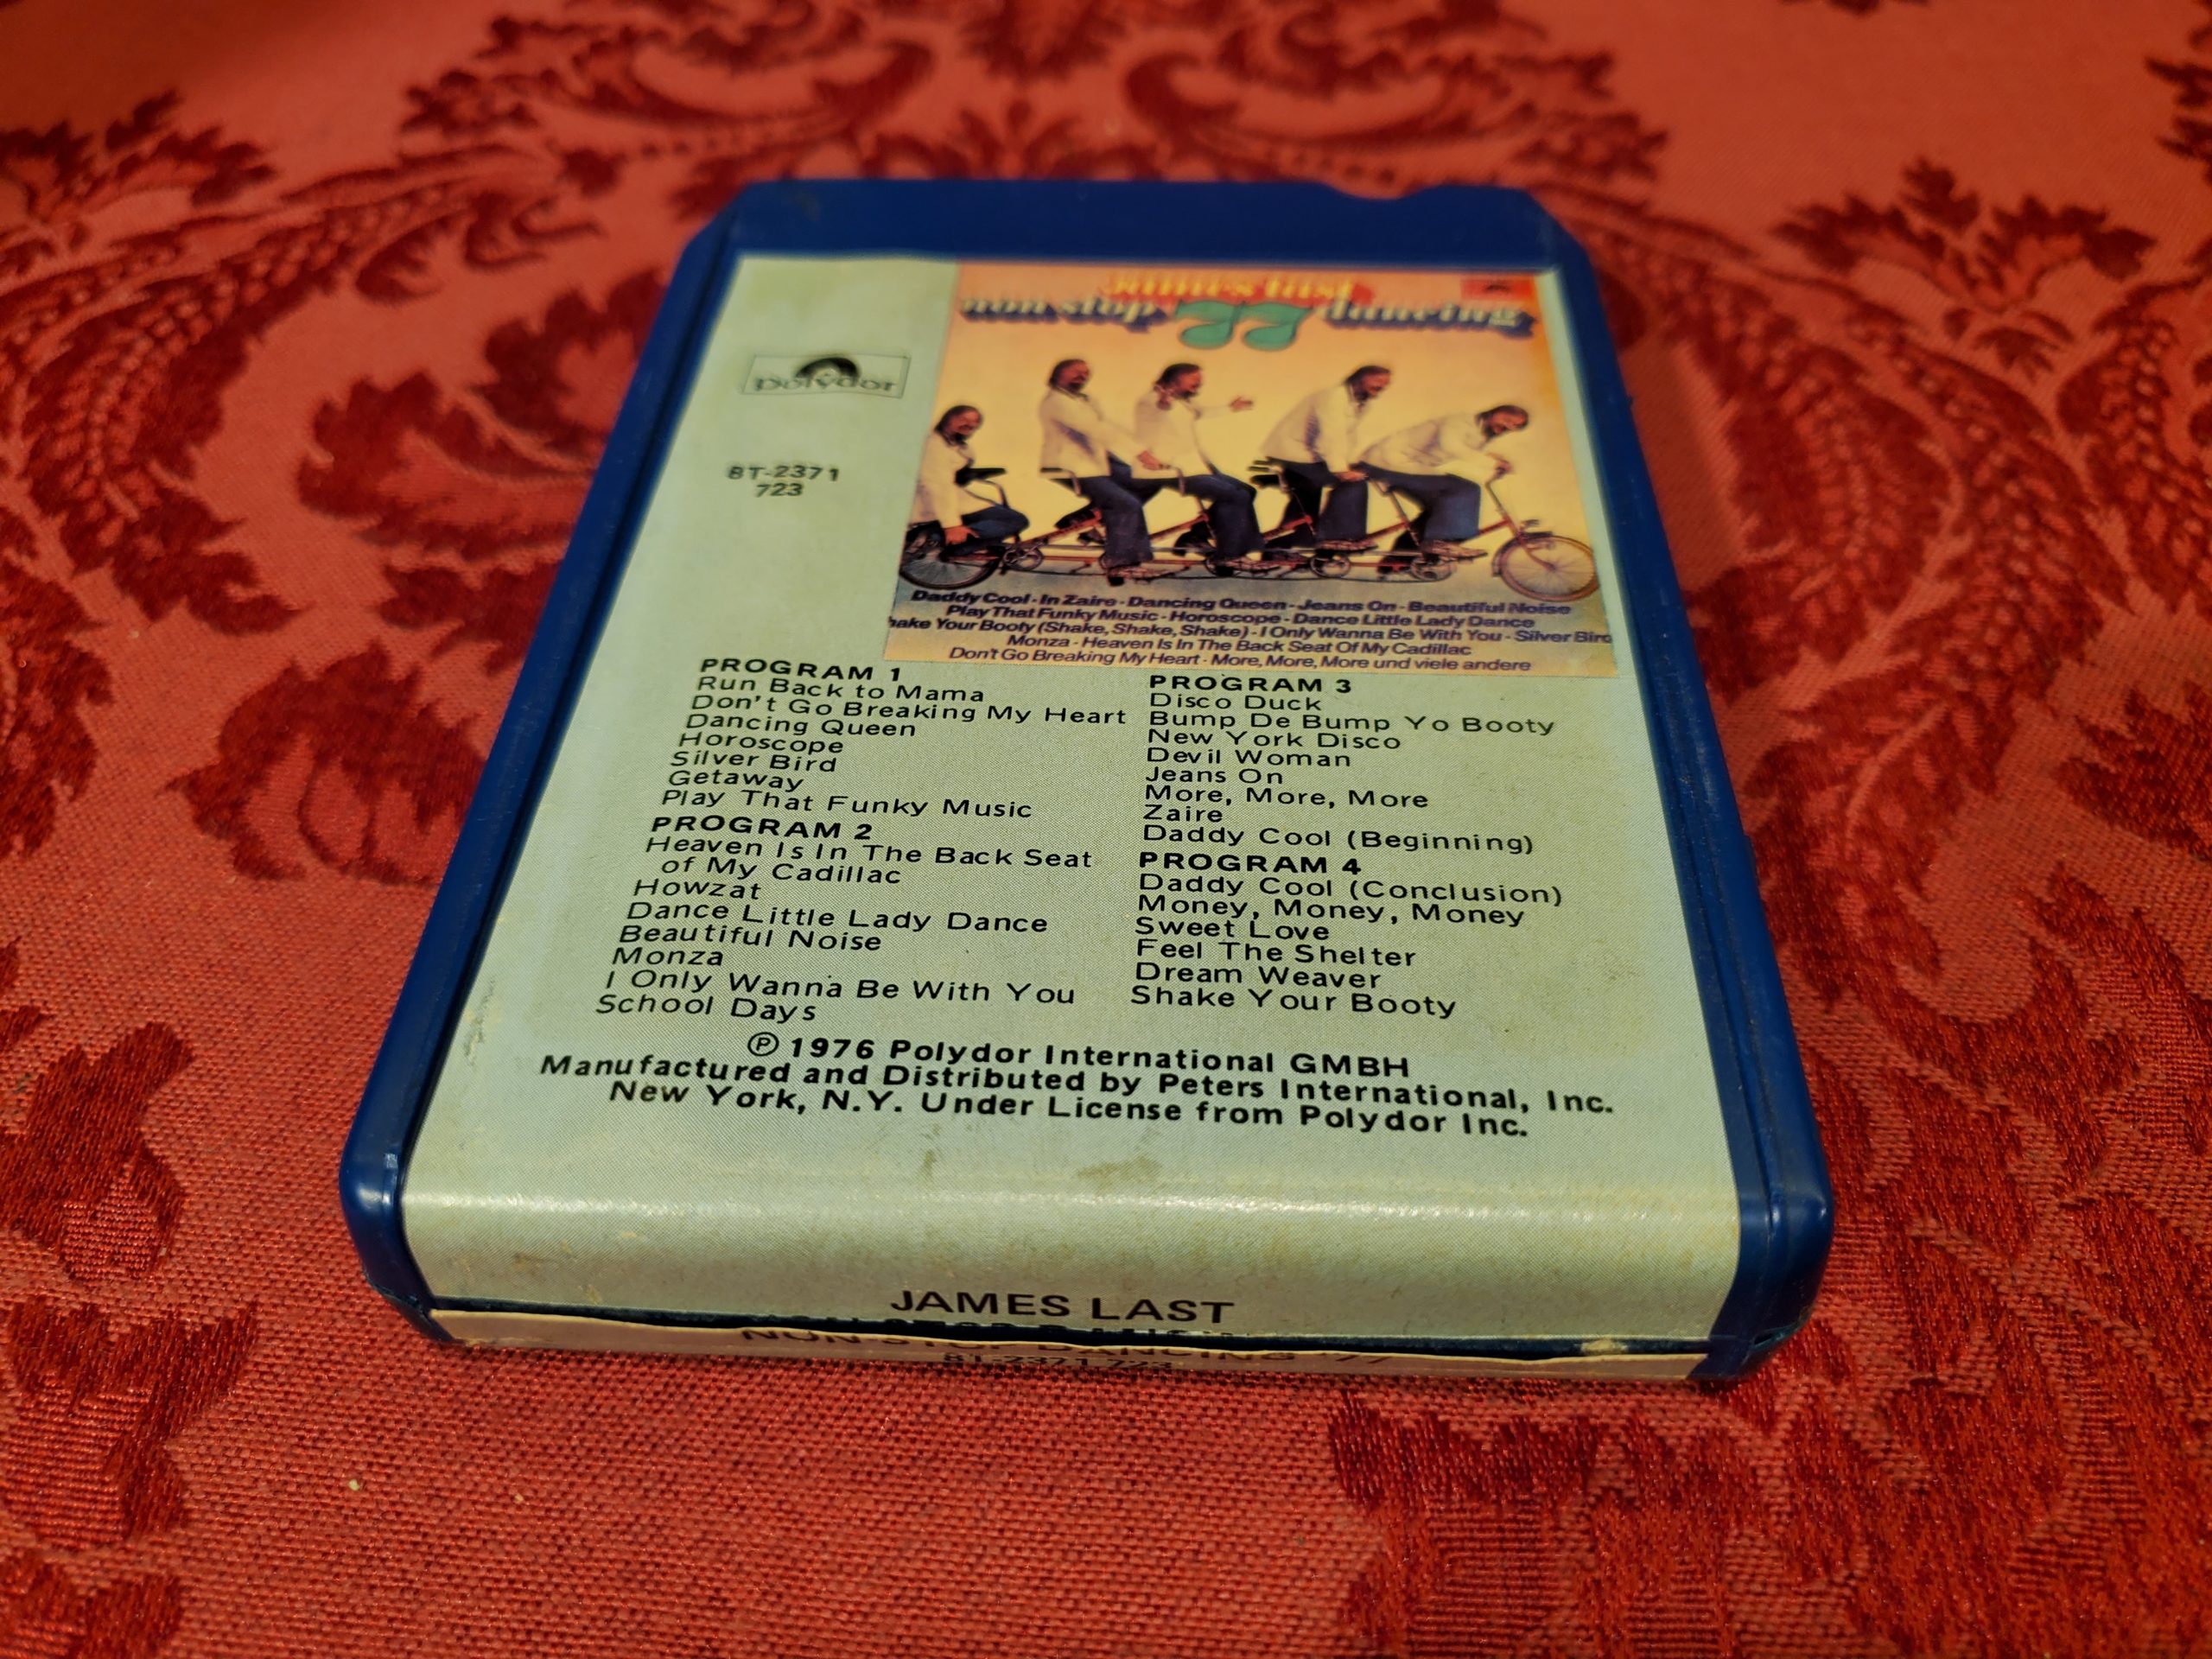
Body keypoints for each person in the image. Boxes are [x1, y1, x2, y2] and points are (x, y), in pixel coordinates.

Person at [1038, 359, 1169, 584]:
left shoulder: (1084, 399)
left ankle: (1089, 516)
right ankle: (1119, 563)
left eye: (1085, 373)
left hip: (1098, 460)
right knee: (1126, 504)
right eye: (1075, 372)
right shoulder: (1057, 402)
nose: (1082, 376)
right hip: (1071, 466)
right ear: (1057, 374)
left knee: (1150, 479)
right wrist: (1141, 453)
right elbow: (1096, 428)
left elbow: (1110, 425)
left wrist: (1148, 446)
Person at [1357, 404, 1529, 572]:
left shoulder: (1481, 432)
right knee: (1464, 490)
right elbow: (1452, 446)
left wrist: (1493, 459)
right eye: (1507, 420)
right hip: (1386, 462)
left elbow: (1465, 449)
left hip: (1405, 466)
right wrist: (1492, 463)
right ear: (1493, 413)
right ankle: (1441, 543)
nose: (1509, 427)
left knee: (1442, 509)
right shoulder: (1460, 421)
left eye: (1515, 426)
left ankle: (1399, 559)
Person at [1132, 363, 1265, 565]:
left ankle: (1196, 537)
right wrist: (1163, 400)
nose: (1199, 384)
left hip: (1191, 467)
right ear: (1175, 379)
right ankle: (1229, 555)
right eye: (1194, 381)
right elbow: (1160, 408)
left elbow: (1199, 412)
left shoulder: (1181, 402)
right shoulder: (1152, 400)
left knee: (1247, 491)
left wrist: (1231, 408)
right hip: (1166, 470)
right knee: (1235, 496)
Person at [1262, 365, 1390, 546]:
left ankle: (1283, 546)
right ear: (1360, 378)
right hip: (1291, 454)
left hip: (1308, 455)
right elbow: (1330, 436)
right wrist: (1340, 469)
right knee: (1353, 484)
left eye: (1386, 383)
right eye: (1378, 380)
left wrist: (1348, 463)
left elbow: (1347, 437)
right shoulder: (1333, 398)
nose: (1383, 386)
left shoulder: (1359, 402)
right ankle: (1338, 537)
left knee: (1306, 506)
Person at [911, 405, 1029, 558]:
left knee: (1003, 514)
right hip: (932, 505)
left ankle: (961, 546)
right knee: (1015, 520)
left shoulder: (955, 445)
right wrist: (952, 525)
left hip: (952, 501)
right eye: (963, 419)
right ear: (947, 418)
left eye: (975, 422)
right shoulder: (933, 445)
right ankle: (937, 539)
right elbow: (938, 486)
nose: (970, 424)